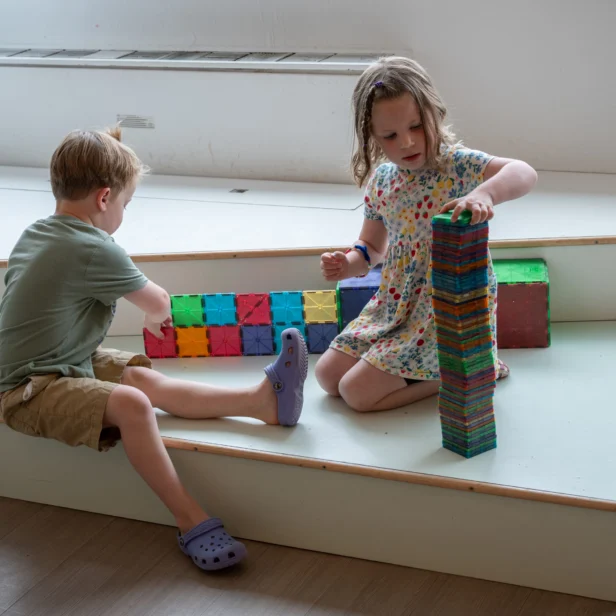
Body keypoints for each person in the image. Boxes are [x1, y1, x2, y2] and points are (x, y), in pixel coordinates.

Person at [0, 127, 308, 571]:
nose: (124, 213)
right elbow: (159, 301)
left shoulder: (37, 232)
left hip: (58, 363)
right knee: (132, 402)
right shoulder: (93, 248)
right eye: (126, 204)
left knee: (141, 378)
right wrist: (151, 315)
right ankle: (190, 520)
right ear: (104, 198)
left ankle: (262, 403)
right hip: (27, 391)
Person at [315, 56, 538, 413]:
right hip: (392, 307)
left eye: (416, 126)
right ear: (372, 137)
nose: (406, 142)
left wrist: (484, 193)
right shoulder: (383, 181)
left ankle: (471, 371)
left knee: (356, 394)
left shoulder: (457, 165)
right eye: (389, 135)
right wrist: (348, 263)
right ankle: (421, 369)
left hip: (444, 311)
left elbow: (523, 171)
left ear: (434, 113)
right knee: (328, 378)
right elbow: (372, 246)